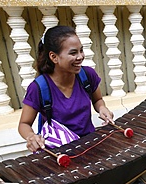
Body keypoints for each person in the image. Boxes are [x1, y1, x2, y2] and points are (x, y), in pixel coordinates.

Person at [18, 25, 114, 153]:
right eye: (73, 53)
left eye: (81, 50)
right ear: (54, 57)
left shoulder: (87, 75)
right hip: (61, 152)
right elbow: (24, 124)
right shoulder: (38, 88)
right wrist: (31, 137)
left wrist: (102, 109)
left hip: (89, 145)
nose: (80, 57)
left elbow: (97, 100)